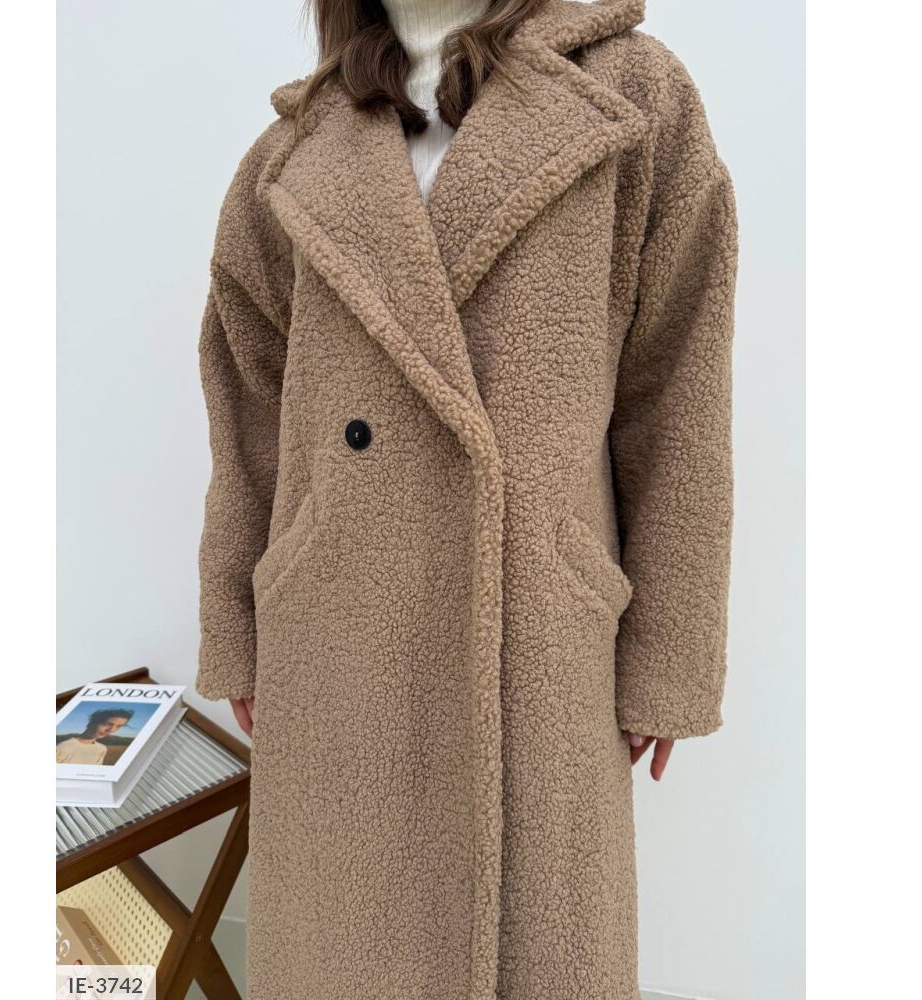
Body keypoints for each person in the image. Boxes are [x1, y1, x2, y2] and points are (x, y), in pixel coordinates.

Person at [194, 0, 737, 997]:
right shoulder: (290, 151)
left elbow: (676, 392)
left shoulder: (631, 95)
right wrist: (239, 622)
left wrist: (668, 654)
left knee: (540, 950)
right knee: (341, 953)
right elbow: (249, 420)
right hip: (335, 646)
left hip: (536, 637)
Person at [54, 708, 133, 765]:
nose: (111, 730)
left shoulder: (102, 749)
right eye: (108, 724)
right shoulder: (63, 747)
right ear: (92, 722)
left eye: (118, 726)